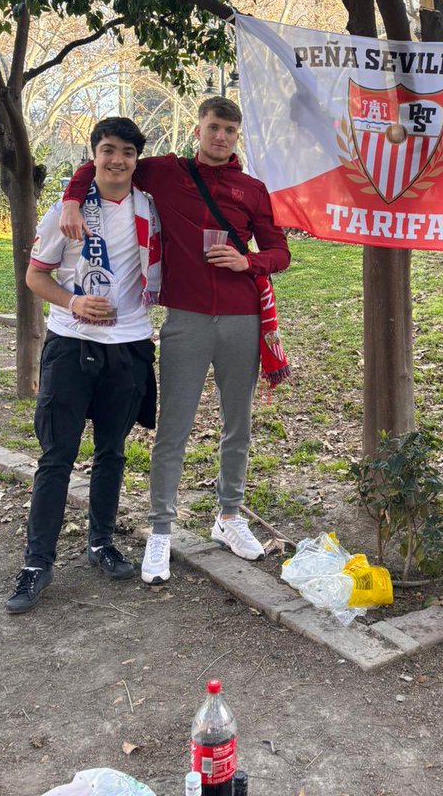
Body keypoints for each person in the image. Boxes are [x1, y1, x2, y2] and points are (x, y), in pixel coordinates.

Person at [59, 96, 291, 581]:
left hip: (241, 318)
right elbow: (100, 163)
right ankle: (160, 531)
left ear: (237, 134)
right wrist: (69, 198)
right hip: (185, 319)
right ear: (198, 129)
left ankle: (229, 516)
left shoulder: (252, 189)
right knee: (173, 429)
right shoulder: (164, 172)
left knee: (238, 425)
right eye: (213, 127)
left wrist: (248, 262)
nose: (221, 137)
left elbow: (279, 251)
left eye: (230, 129)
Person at [5, 117, 161, 614]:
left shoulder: (150, 208)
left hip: (129, 344)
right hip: (72, 345)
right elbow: (35, 276)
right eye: (108, 150)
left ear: (138, 159)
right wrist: (73, 303)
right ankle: (37, 563)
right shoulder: (65, 213)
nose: (117, 160)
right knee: (57, 456)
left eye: (127, 153)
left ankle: (101, 543)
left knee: (112, 453)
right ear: (93, 153)